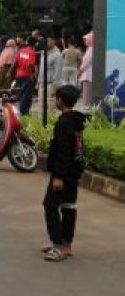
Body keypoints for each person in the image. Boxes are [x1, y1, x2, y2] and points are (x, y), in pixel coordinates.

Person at [42, 85, 86, 262]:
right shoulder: (76, 121)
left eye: (55, 98)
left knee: (50, 205)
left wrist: (58, 176)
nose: (54, 101)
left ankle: (58, 245)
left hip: (63, 173)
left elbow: (64, 150)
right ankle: (66, 245)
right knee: (68, 206)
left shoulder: (64, 123)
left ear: (61, 100)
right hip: (73, 172)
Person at [14, 39, 37, 116]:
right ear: (35, 44)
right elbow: (30, 65)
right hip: (26, 76)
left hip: (19, 75)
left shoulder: (21, 50)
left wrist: (9, 72)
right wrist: (31, 75)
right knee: (27, 95)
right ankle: (24, 112)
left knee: (22, 94)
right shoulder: (32, 52)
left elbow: (15, 62)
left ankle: (22, 111)